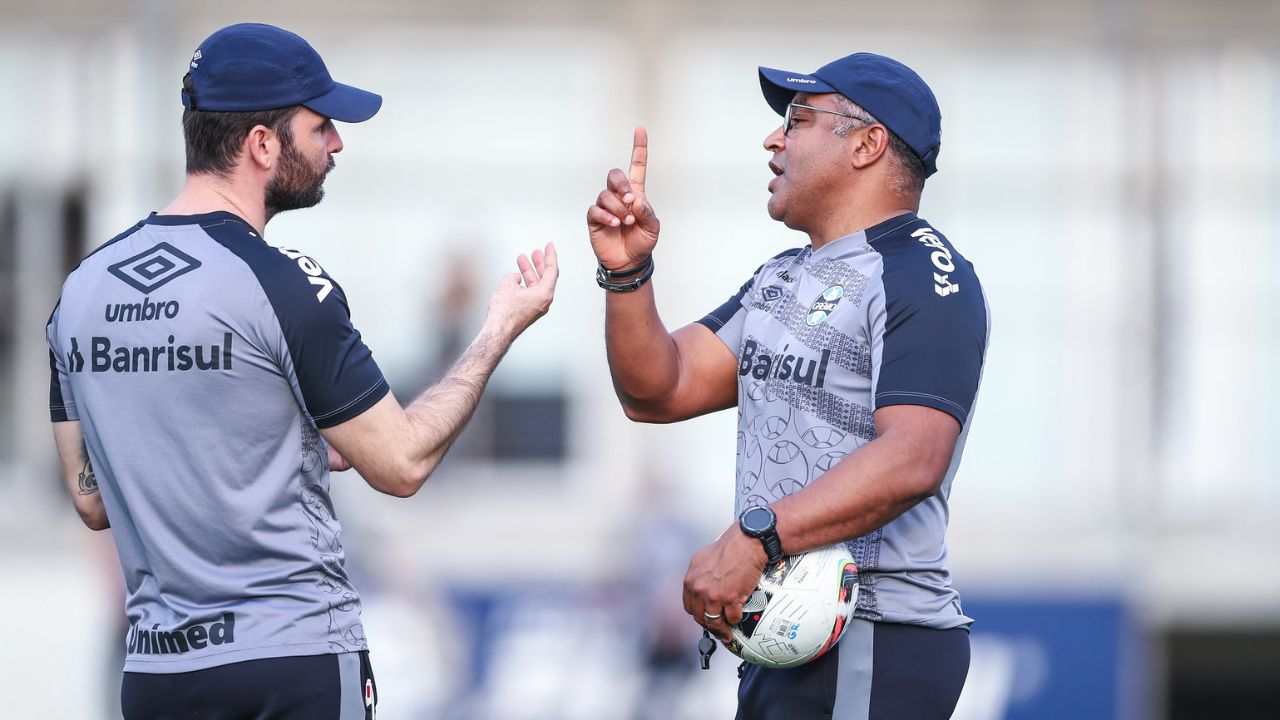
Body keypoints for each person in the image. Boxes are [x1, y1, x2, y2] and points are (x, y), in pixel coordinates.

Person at [45, 23, 558, 718]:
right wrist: (500, 327)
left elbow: (92, 500)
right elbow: (402, 463)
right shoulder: (285, 285)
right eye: (321, 127)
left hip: (157, 673)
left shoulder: (81, 291)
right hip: (291, 662)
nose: (337, 144)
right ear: (262, 144)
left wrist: (274, 439)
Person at [587, 52, 986, 719]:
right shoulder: (783, 275)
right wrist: (629, 275)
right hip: (781, 635)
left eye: (798, 119)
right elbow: (658, 389)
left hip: (873, 635)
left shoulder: (924, 271)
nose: (773, 138)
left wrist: (757, 538)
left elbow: (914, 456)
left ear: (867, 143)